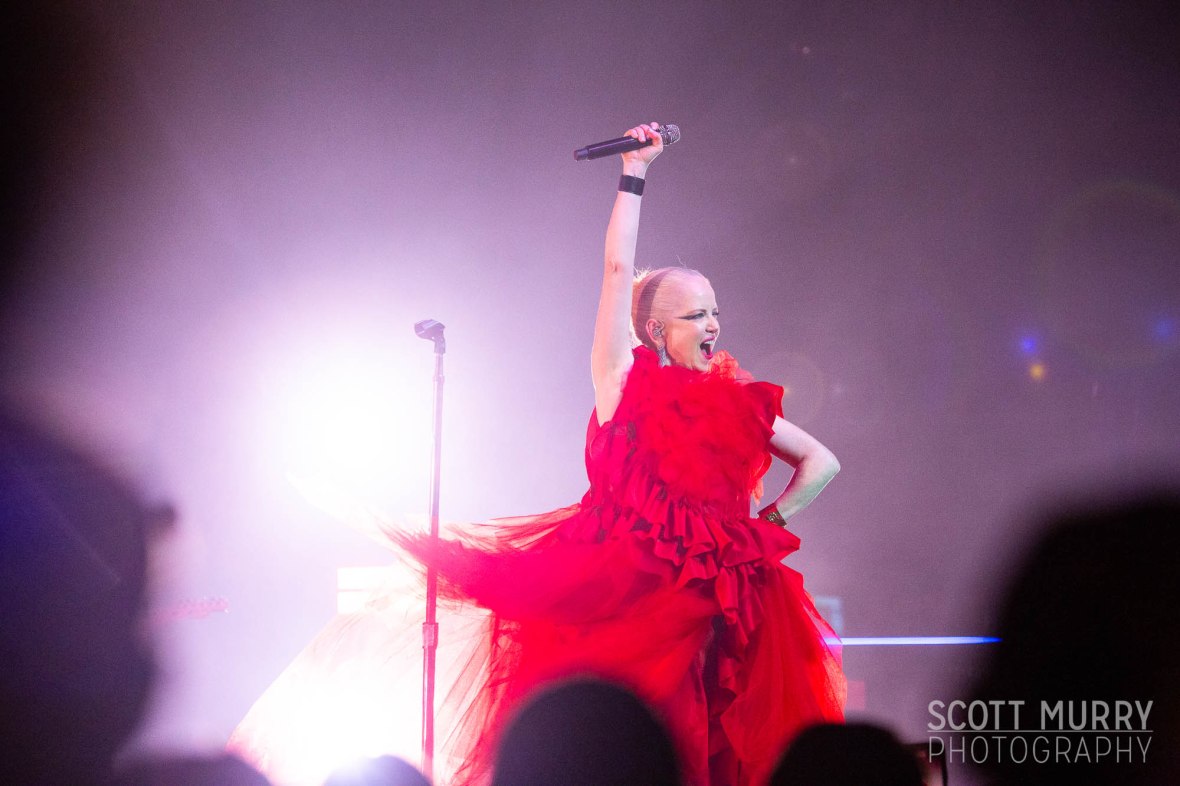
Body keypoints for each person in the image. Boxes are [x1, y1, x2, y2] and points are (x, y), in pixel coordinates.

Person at [392, 122, 846, 785]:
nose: (714, 325)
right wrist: (634, 174)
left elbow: (822, 462)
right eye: (696, 315)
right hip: (630, 610)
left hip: (720, 612)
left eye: (714, 311)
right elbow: (613, 273)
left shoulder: (739, 403)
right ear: (656, 330)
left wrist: (766, 523)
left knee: (719, 751)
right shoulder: (621, 383)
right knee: (635, 750)